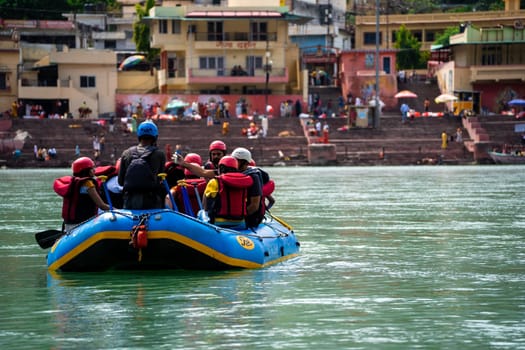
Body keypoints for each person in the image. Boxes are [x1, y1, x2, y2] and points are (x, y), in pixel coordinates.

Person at [54, 157, 110, 233]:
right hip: (83, 225)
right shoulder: (88, 184)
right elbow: (102, 205)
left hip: (68, 225)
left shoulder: (72, 183)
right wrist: (117, 210)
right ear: (86, 170)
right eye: (92, 168)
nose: (94, 170)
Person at [118, 121, 166, 209]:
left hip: (130, 201)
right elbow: (161, 179)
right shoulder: (159, 154)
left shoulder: (126, 153)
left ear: (139, 136)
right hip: (152, 201)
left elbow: (121, 182)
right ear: (155, 137)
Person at [202, 156, 253, 228]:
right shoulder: (243, 182)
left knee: (201, 212)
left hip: (219, 222)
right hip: (241, 222)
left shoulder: (215, 181)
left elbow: (205, 205)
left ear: (220, 169)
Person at [231, 147, 263, 228]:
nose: (232, 162)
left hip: (249, 218)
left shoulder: (253, 177)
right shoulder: (230, 172)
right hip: (232, 216)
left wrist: (239, 218)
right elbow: (205, 173)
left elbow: (254, 206)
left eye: (235, 160)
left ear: (244, 162)